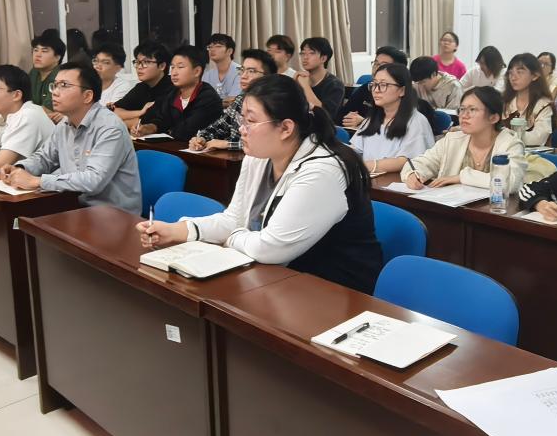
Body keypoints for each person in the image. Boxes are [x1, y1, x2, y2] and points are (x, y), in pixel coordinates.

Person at [137, 74, 384, 293]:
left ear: (285, 128)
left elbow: (270, 248)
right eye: (242, 119)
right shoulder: (258, 155)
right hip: (278, 278)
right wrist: (178, 231)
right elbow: (234, 219)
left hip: (335, 293)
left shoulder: (322, 170)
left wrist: (230, 237)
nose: (241, 129)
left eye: (251, 121)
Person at [0, 62, 141, 213]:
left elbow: (94, 180)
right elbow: (45, 158)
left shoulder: (110, 128)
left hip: (113, 215)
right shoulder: (64, 124)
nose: (55, 92)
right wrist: (20, 168)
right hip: (74, 206)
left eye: (64, 85)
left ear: (87, 96)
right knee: (20, 217)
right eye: (55, 85)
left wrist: (37, 181)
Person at [401, 86, 525, 191]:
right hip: (451, 207)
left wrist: (461, 177)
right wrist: (413, 174)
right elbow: (419, 163)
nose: (464, 115)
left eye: (472, 109)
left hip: (494, 209)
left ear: (493, 118)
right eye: (462, 109)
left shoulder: (510, 144)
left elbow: (511, 182)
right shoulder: (452, 140)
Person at [350, 63, 434, 175]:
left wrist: (368, 166)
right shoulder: (371, 120)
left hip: (399, 180)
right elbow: (355, 150)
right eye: (374, 84)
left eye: (383, 85)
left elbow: (407, 161)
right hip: (369, 178)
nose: (376, 90)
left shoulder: (416, 121)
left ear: (402, 90)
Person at [189, 48, 277, 151]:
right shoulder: (240, 100)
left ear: (268, 77)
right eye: (242, 70)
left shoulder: (273, 104)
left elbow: (268, 143)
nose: (243, 76)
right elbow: (218, 127)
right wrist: (201, 139)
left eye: (251, 71)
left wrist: (227, 144)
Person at [135, 45, 223, 140]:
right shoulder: (171, 94)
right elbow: (159, 118)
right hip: (171, 146)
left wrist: (167, 129)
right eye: (172, 67)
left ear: (197, 71)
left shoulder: (208, 98)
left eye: (180, 67)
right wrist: (149, 128)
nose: (174, 73)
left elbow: (186, 131)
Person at [341, 46, 409, 127]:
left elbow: (397, 128)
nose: (376, 68)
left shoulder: (404, 96)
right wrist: (348, 119)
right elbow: (342, 116)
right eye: (376, 63)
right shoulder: (366, 88)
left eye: (383, 65)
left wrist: (364, 122)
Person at [110, 41, 174, 125]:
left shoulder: (173, 88)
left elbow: (151, 123)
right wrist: (140, 112)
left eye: (146, 62)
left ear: (162, 66)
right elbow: (114, 111)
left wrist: (125, 120)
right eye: (137, 62)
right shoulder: (141, 87)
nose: (139, 67)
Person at [502, 53, 555, 146]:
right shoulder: (504, 101)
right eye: (510, 73)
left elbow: (537, 138)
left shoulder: (543, 105)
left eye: (519, 72)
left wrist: (506, 136)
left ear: (535, 76)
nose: (513, 77)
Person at [296, 37, 344, 120]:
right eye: (302, 53)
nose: (305, 57)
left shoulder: (335, 85)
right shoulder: (299, 79)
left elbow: (325, 115)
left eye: (311, 53)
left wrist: (305, 86)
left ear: (323, 58)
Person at [29, 29, 65, 122]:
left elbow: (47, 112)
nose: (38, 55)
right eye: (35, 50)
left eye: (44, 51)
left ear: (57, 57)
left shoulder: (61, 76)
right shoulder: (34, 72)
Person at [93, 43, 135, 108]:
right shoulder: (86, 83)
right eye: (96, 61)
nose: (98, 66)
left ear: (118, 68)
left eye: (105, 62)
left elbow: (111, 112)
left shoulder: (122, 87)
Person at [203, 33, 241, 103]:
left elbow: (233, 101)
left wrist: (211, 103)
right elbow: (203, 100)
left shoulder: (240, 71)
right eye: (210, 47)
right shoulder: (207, 75)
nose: (212, 49)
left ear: (229, 51)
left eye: (218, 46)